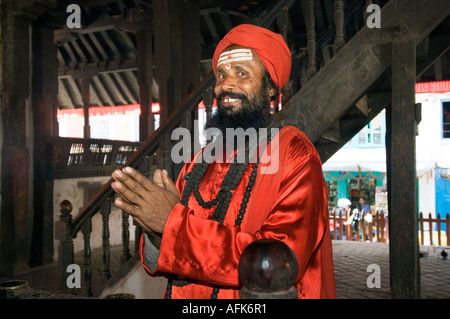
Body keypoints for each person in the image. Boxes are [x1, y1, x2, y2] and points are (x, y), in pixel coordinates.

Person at [111, 24, 336, 299]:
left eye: (242, 74)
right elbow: (168, 258)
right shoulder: (197, 162)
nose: (226, 85)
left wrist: (173, 225)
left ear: (270, 88)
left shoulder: (296, 156)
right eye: (221, 74)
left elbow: (276, 264)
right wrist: (158, 231)